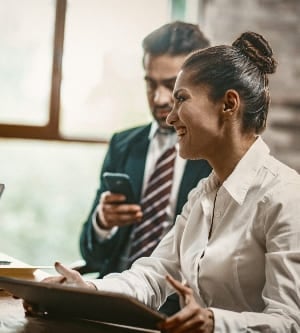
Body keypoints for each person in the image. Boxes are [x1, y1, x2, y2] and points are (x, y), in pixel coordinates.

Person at [43, 31, 300, 332]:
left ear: (229, 104)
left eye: (181, 99)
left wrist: (216, 323)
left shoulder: (286, 196)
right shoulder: (203, 194)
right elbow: (154, 274)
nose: (170, 116)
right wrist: (89, 292)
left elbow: (290, 321)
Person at [79, 21, 212, 314]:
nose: (159, 98)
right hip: (109, 295)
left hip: (176, 308)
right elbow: (90, 253)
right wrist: (102, 223)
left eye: (171, 85)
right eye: (151, 83)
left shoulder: (213, 154)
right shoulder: (123, 144)